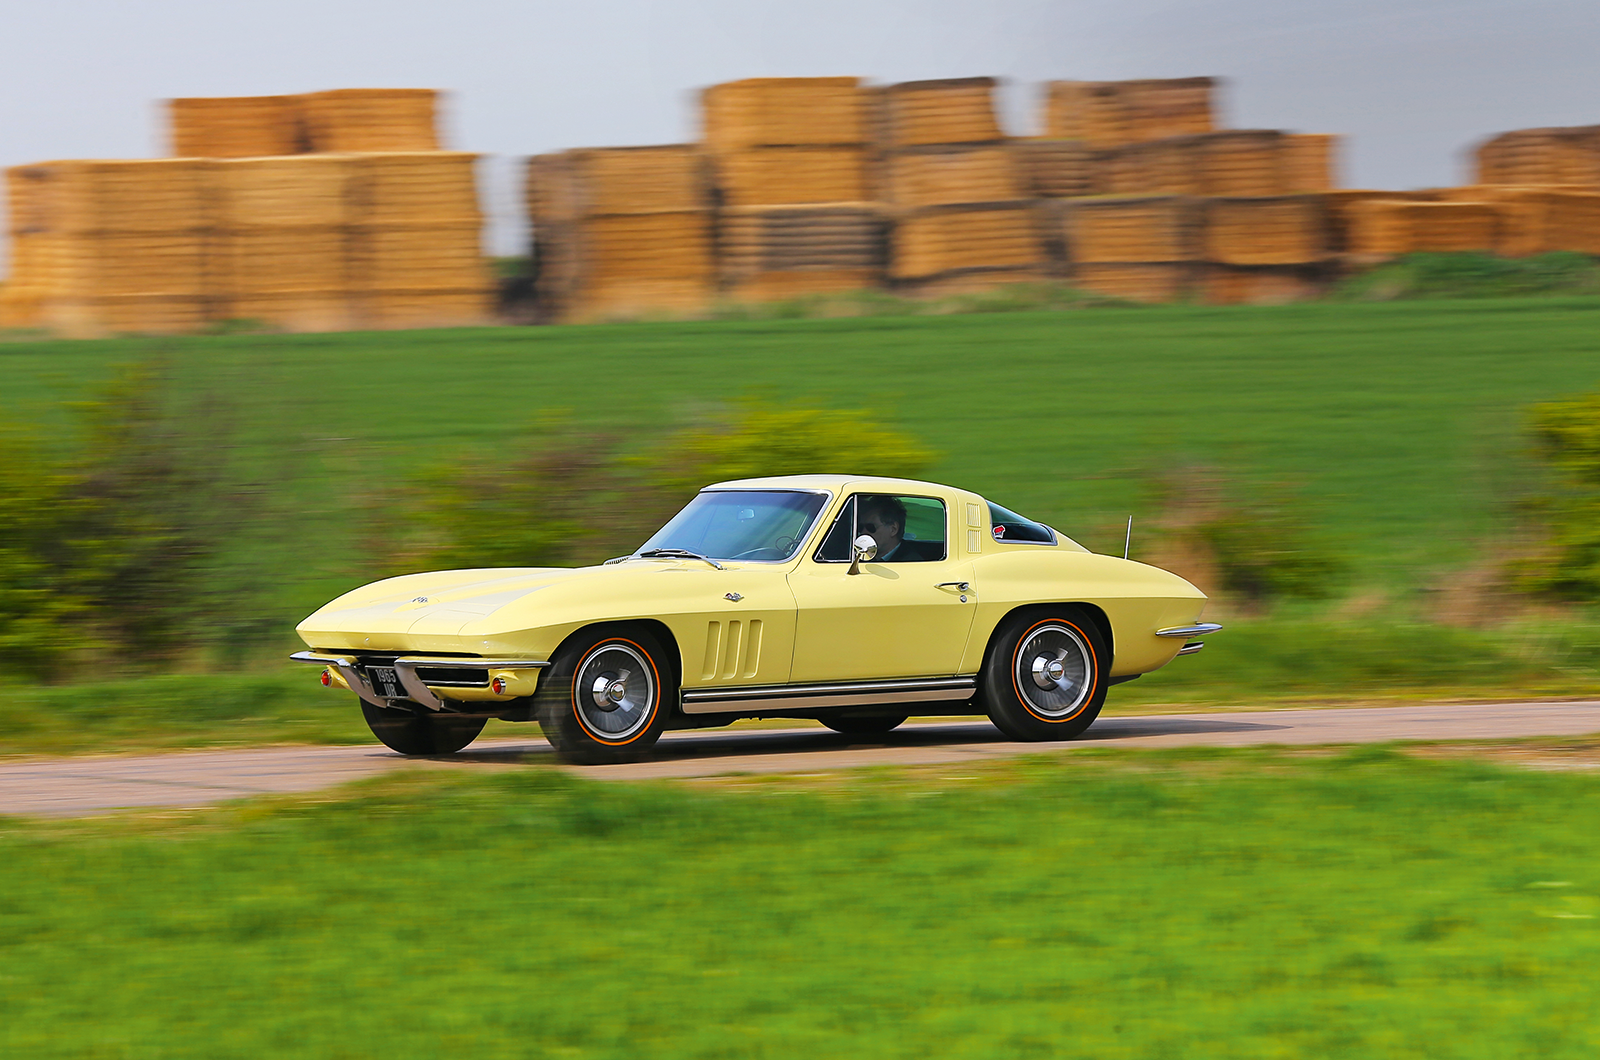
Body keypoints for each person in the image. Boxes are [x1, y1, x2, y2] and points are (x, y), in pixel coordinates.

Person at [858, 495, 936, 562]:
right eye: (860, 528)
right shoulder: (860, 557)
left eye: (871, 527)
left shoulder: (911, 564)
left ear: (893, 529)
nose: (863, 532)